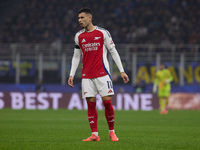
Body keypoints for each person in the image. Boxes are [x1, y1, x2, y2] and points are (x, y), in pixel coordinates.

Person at [68, 8, 129, 142]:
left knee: (107, 102)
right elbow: (76, 56)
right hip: (86, 75)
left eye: (82, 18)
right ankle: (94, 134)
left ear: (89, 18)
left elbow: (113, 51)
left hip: (102, 74)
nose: (79, 20)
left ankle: (112, 132)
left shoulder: (102, 33)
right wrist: (71, 74)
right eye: (78, 18)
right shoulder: (78, 36)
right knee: (90, 104)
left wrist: (122, 70)